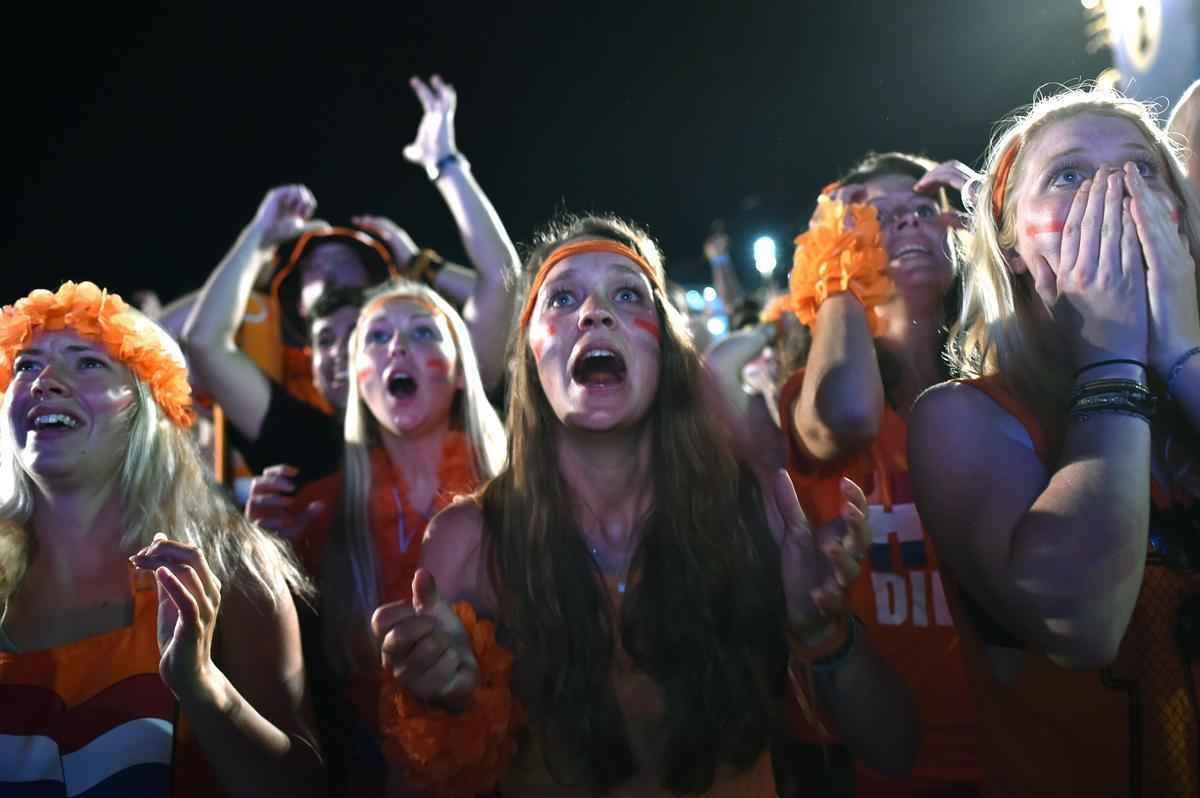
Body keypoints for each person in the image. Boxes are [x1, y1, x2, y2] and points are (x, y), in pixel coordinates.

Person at [370, 215, 917, 797]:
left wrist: (825, 635)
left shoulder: (751, 514)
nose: (593, 313)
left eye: (627, 294)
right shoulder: (470, 540)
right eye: (562, 298)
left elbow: (894, 748)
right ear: (530, 355)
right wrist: (449, 704)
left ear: (667, 351)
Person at [909, 85, 1200, 796]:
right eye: (1069, 175)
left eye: (1143, 169)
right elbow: (1078, 624)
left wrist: (1185, 358)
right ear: (1009, 247)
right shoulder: (964, 417)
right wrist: (1113, 357)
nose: (1113, 190)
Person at [704, 153, 980, 796]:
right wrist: (837, 261)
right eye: (874, 218)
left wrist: (1006, 216)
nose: (907, 225)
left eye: (923, 211)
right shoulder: (812, 398)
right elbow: (848, 411)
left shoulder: (1010, 383)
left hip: (1041, 757)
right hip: (887, 765)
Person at [0, 282, 322, 797]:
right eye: (26, 364)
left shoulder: (229, 565)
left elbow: (304, 789)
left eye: (87, 362)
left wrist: (203, 688)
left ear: (144, 409)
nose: (44, 383)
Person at [247, 279, 504, 795]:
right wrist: (265, 561)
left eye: (423, 332)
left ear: (459, 373)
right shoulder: (315, 510)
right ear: (361, 382)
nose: (397, 347)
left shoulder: (520, 499)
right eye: (377, 337)